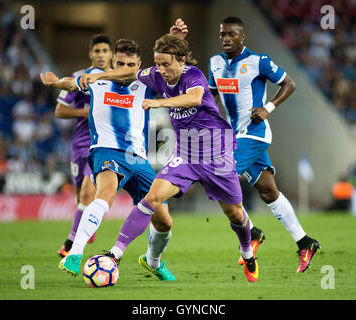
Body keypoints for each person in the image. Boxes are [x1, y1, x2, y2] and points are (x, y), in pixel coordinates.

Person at [79, 32, 259, 282]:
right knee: (152, 197)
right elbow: (130, 74)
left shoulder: (193, 76)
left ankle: (247, 251)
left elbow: (194, 98)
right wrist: (98, 76)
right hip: (184, 154)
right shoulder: (153, 75)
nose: (161, 70)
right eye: (158, 63)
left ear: (182, 60)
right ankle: (115, 253)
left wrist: (160, 104)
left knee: (235, 214)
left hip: (215, 153)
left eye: (166, 64)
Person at [41, 20, 189, 280]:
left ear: (139, 66)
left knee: (164, 220)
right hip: (106, 151)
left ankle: (153, 261)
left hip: (138, 158)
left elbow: (170, 65)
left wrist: (172, 38)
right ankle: (75, 254)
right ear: (113, 63)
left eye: (131, 65)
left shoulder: (145, 83)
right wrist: (56, 84)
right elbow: (72, 83)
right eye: (120, 64)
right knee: (104, 196)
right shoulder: (97, 83)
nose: (125, 70)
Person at [208, 17, 320, 273]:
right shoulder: (215, 63)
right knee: (269, 191)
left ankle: (252, 233)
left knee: (220, 175)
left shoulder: (259, 61)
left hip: (255, 134)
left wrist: (268, 107)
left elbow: (289, 83)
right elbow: (212, 94)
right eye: (223, 34)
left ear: (242, 37)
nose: (226, 38)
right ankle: (305, 242)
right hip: (235, 135)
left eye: (231, 34)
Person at [55, 34, 113, 258]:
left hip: (101, 144)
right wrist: (85, 112)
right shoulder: (78, 78)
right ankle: (87, 229)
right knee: (81, 197)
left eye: (104, 51)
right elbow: (60, 110)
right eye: (97, 51)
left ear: (111, 54)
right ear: (91, 54)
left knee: (89, 194)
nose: (100, 55)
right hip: (79, 144)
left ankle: (69, 245)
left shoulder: (117, 80)